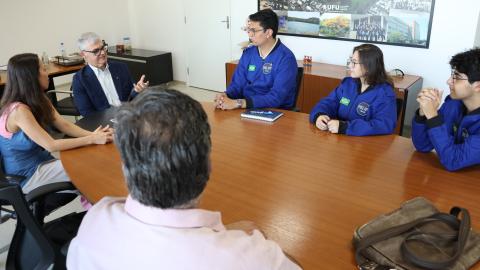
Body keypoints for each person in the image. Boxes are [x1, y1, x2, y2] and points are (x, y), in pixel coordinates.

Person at [67, 89, 301, 270]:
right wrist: (258, 245)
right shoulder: (250, 258)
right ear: (208, 167)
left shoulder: (95, 220)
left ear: (125, 167)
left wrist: (221, 232)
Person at [0, 53, 113, 194]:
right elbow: (51, 145)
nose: (47, 73)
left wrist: (95, 135)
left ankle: (96, 206)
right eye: (43, 69)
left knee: (90, 162)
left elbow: (64, 125)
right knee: (89, 170)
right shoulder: (19, 111)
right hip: (28, 176)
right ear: (31, 76)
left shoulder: (39, 98)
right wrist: (92, 139)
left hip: (44, 163)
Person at [412, 48, 480, 171]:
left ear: (477, 86)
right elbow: (423, 145)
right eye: (452, 75)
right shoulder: (453, 105)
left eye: (457, 77)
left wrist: (433, 117)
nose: (448, 81)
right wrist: (424, 113)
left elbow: (453, 160)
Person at [215, 9, 298, 110]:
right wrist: (225, 96)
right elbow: (237, 85)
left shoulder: (286, 58)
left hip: (276, 111)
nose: (249, 35)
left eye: (254, 31)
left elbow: (276, 98)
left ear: (268, 33)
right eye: (249, 30)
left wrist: (240, 103)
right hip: (247, 107)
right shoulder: (248, 53)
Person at [309, 44, 396, 136]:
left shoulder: (385, 93)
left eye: (354, 62)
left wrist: (345, 127)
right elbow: (329, 102)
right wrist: (319, 115)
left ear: (368, 66)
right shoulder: (348, 84)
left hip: (364, 145)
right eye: (351, 61)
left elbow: (383, 125)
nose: (350, 66)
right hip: (339, 139)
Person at [72, 32, 149, 116]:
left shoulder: (121, 67)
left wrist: (137, 90)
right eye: (96, 51)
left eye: (103, 48)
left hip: (127, 115)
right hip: (104, 123)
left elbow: (130, 97)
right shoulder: (80, 80)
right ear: (83, 54)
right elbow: (87, 113)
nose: (102, 53)